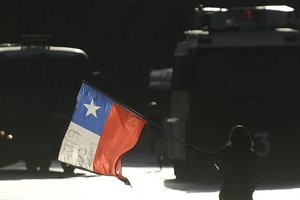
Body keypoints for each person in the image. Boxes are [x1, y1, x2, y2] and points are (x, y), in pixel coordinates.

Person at [186, 125, 262, 200]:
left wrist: (194, 149)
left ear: (232, 137)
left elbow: (209, 156)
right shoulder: (251, 155)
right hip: (244, 190)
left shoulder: (228, 150)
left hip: (228, 189)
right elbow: (257, 175)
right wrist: (251, 188)